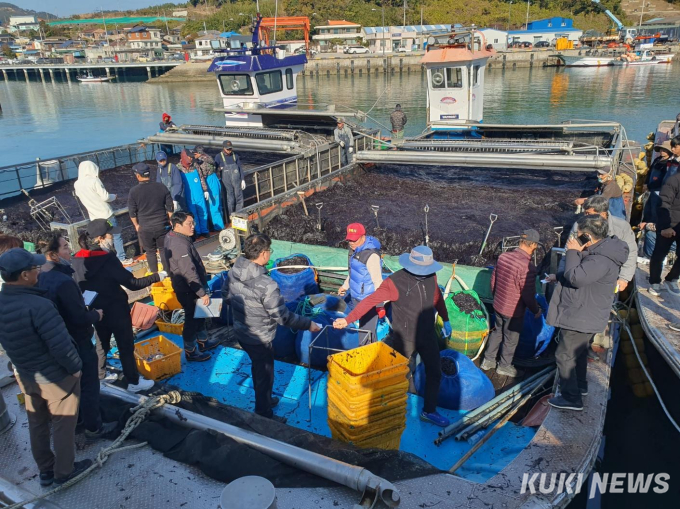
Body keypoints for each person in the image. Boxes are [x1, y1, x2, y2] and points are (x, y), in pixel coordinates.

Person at [0, 248, 92, 486]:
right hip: (55, 377)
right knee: (63, 422)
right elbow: (61, 345)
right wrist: (75, 368)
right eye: (34, 268)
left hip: (27, 375)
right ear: (23, 275)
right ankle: (64, 471)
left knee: (37, 422)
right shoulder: (39, 306)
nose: (38, 271)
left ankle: (46, 469)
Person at [333, 246, 453, 427]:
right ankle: (383, 410)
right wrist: (348, 319)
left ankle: (429, 411)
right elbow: (371, 301)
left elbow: (437, 298)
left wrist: (446, 319)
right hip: (403, 337)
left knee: (435, 372)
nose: (424, 273)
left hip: (427, 334)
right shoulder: (394, 282)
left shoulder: (431, 277)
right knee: (396, 375)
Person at [227, 233, 321, 423]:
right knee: (264, 373)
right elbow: (282, 317)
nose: (269, 254)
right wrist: (308, 323)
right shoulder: (266, 284)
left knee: (258, 367)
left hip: (241, 332)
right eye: (269, 250)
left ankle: (267, 399)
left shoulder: (233, 271)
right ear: (262, 254)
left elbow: (227, 297)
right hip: (259, 337)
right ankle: (264, 413)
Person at [38, 234, 116, 439]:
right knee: (89, 383)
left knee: (73, 384)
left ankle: (79, 419)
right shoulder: (63, 281)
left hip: (59, 341)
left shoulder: (41, 276)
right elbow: (79, 317)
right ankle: (94, 426)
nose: (69, 251)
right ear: (53, 254)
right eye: (65, 247)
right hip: (77, 339)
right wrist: (95, 315)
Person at [546, 215, 627, 411]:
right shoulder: (602, 252)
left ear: (588, 237)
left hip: (581, 316)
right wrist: (557, 276)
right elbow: (583, 274)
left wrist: (572, 251)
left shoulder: (600, 259)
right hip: (586, 313)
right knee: (579, 353)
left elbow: (576, 277)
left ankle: (571, 398)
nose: (576, 236)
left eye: (579, 234)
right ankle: (580, 386)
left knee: (564, 355)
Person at [72, 219, 163, 392]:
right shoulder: (107, 259)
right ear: (100, 238)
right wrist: (157, 276)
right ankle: (133, 382)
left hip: (95, 309)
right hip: (116, 308)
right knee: (125, 344)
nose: (112, 237)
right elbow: (132, 283)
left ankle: (100, 375)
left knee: (101, 342)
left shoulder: (77, 259)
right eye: (110, 234)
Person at [481, 229, 542, 377]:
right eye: (536, 246)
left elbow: (493, 281)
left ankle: (488, 361)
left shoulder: (503, 257)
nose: (536, 248)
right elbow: (528, 295)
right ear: (532, 244)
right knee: (511, 339)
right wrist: (536, 310)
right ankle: (504, 366)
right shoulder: (528, 268)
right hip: (514, 311)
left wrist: (497, 298)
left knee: (497, 332)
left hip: (498, 305)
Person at [164, 211, 220, 362]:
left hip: (188, 286)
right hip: (188, 289)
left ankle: (203, 341)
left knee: (199, 315)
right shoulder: (179, 244)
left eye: (193, 223)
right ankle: (190, 350)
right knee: (192, 318)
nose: (193, 226)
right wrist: (201, 292)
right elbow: (188, 271)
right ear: (177, 225)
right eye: (189, 224)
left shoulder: (175, 237)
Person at [568, 195, 637, 293]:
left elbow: (631, 253)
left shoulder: (621, 228)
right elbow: (570, 249)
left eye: (589, 213)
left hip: (610, 277)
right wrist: (563, 274)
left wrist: (624, 278)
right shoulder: (580, 226)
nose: (586, 216)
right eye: (585, 213)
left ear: (603, 214)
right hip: (585, 273)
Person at [74, 161, 128, 263]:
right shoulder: (94, 181)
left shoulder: (77, 184)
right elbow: (105, 196)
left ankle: (104, 258)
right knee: (116, 235)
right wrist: (114, 196)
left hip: (94, 217)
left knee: (101, 238)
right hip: (106, 214)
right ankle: (121, 257)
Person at [337, 223, 383, 343]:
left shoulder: (371, 256)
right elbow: (353, 271)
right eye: (349, 240)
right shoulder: (355, 250)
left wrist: (380, 304)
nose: (351, 242)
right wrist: (345, 286)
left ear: (363, 236)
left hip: (368, 299)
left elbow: (377, 280)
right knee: (363, 327)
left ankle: (366, 356)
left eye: (354, 240)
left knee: (366, 332)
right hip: (356, 296)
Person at [128, 162, 173, 274]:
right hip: (162, 224)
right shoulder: (161, 186)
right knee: (163, 249)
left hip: (145, 227)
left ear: (138, 176)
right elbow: (170, 207)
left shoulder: (134, 191)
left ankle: (155, 276)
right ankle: (168, 274)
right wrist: (171, 221)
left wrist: (137, 226)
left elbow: (132, 212)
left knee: (150, 252)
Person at [649, 149, 680, 297]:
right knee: (660, 253)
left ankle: (671, 278)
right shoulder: (673, 181)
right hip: (668, 222)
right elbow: (663, 203)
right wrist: (666, 226)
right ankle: (654, 281)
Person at [192, 146, 225, 233]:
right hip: (208, 180)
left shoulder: (204, 160)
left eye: (195, 153)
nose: (193, 155)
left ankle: (219, 226)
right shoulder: (204, 158)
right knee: (210, 205)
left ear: (199, 153)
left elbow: (205, 171)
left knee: (214, 205)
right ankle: (213, 224)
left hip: (210, 181)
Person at [178, 149, 209, 237]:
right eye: (189, 157)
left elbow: (201, 178)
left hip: (198, 193)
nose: (191, 159)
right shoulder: (179, 168)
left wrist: (205, 190)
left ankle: (204, 230)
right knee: (193, 214)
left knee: (203, 212)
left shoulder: (195, 165)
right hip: (189, 196)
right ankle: (197, 232)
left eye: (192, 157)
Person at [215, 140, 245, 220]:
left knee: (239, 197)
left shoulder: (235, 155)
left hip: (237, 180)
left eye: (230, 149)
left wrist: (242, 179)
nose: (229, 151)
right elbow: (214, 169)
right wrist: (219, 170)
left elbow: (240, 168)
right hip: (226, 182)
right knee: (230, 199)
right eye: (228, 149)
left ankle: (239, 215)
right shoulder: (218, 157)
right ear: (223, 148)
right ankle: (231, 216)